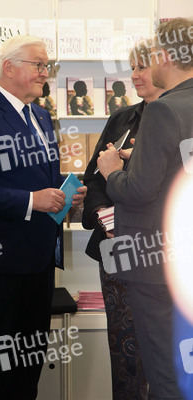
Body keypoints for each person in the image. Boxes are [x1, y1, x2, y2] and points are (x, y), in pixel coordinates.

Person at [0, 34, 87, 400]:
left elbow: (43, 184)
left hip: (40, 259)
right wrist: (32, 201)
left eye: (47, 65)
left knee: (29, 363)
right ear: (9, 67)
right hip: (0, 261)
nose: (46, 72)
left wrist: (66, 194)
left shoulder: (43, 117)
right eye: (39, 64)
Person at [97, 18, 193, 400]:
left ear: (166, 56)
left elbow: (137, 191)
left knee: (164, 367)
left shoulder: (163, 110)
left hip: (156, 264)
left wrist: (112, 172)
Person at [83, 40, 164, 400]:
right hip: (117, 254)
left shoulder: (180, 116)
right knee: (125, 351)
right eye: (132, 67)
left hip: (166, 256)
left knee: (166, 356)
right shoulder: (122, 118)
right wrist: (107, 218)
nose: (134, 75)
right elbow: (94, 176)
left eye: (142, 67)